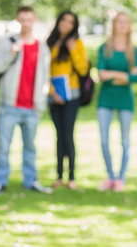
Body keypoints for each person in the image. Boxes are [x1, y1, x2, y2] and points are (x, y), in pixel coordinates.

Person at [0, 6, 52, 196]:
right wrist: (11, 55)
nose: (25, 24)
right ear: (17, 20)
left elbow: (44, 76)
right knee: (4, 147)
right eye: (22, 20)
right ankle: (0, 181)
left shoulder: (42, 47)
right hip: (10, 105)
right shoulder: (7, 43)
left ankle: (31, 180)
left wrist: (41, 101)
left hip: (32, 107)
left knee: (30, 147)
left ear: (35, 20)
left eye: (29, 20)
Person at [96, 12, 137, 192]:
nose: (122, 25)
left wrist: (113, 75)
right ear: (114, 25)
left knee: (125, 141)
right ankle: (110, 176)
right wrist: (125, 76)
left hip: (125, 100)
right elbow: (100, 74)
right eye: (119, 22)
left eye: (125, 22)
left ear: (129, 26)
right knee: (104, 140)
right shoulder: (104, 48)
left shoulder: (134, 50)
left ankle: (120, 179)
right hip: (105, 99)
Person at [46, 11, 89, 190]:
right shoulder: (49, 43)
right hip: (53, 95)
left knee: (68, 134)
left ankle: (71, 176)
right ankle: (59, 175)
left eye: (70, 22)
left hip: (72, 95)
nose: (66, 24)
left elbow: (83, 69)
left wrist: (72, 51)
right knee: (58, 135)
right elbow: (43, 70)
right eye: (64, 20)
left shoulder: (76, 43)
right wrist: (51, 92)